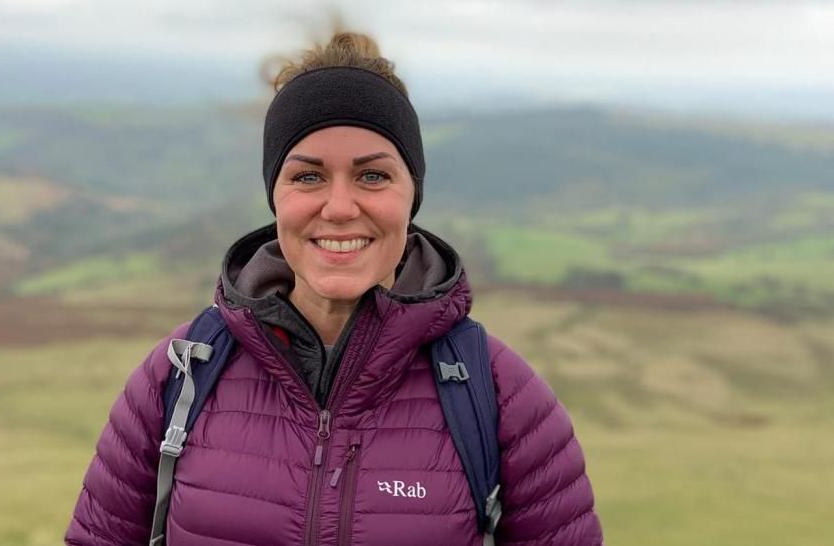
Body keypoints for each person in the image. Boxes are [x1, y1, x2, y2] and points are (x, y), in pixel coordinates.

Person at [65, 31, 603, 546]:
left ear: (411, 195)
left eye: (373, 176)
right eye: (307, 176)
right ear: (275, 196)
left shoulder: (501, 396)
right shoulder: (179, 376)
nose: (340, 207)